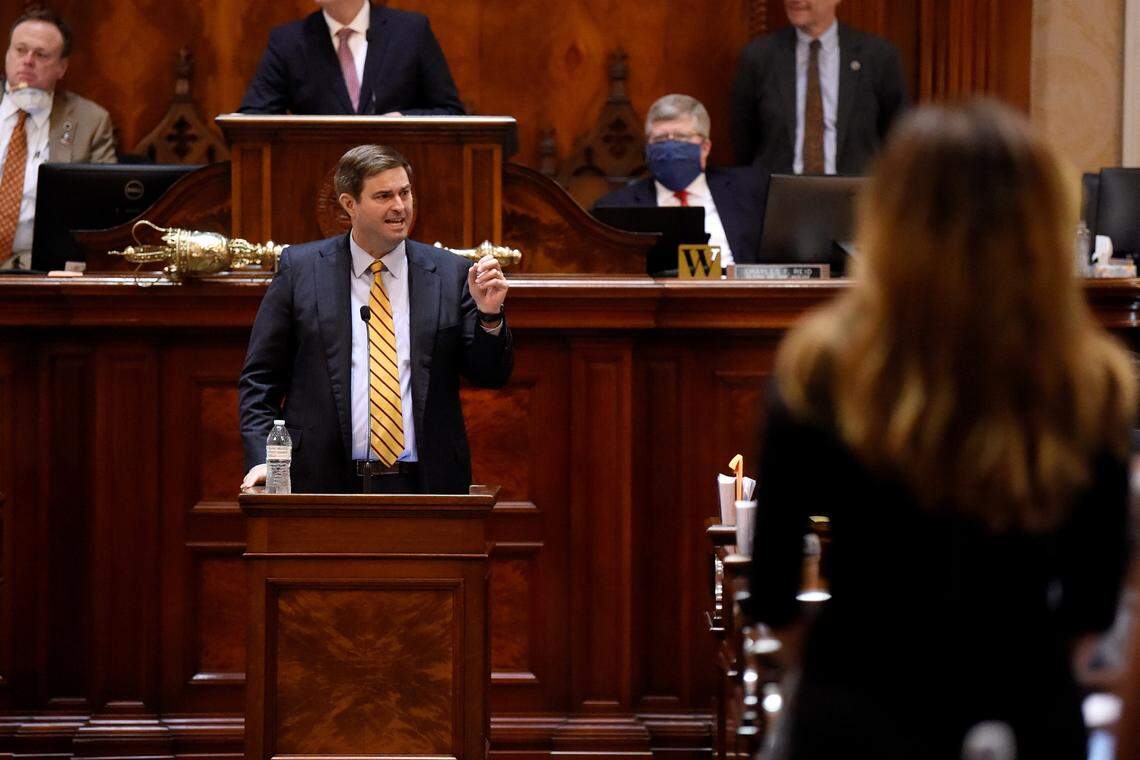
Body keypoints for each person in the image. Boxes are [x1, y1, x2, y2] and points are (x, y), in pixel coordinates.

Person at [747, 99, 1136, 759]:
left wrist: (843, 667)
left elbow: (775, 586)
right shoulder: (1091, 381)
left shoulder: (823, 366)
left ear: (891, 220)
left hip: (855, 705)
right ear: (1042, 222)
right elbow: (1094, 599)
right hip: (1027, 708)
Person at [238, 144, 512, 494]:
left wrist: (489, 315)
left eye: (405, 193)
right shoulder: (301, 270)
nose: (400, 207)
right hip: (319, 481)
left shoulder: (450, 273)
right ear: (349, 204)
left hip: (426, 483)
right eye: (384, 196)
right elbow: (260, 381)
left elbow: (489, 375)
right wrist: (266, 459)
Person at [730, 0, 907, 175]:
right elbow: (743, 141)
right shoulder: (759, 57)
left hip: (853, 196)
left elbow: (896, 137)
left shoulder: (877, 57)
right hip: (779, 195)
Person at [593, 94, 767, 266]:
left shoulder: (750, 191)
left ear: (705, 148)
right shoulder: (618, 207)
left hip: (736, 290)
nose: (670, 147)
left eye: (681, 137)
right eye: (660, 139)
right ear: (648, 148)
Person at [0, 9, 116, 270]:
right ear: (7, 54)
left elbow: (104, 208)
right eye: (20, 50)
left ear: (62, 67)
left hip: (42, 268)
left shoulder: (91, 122)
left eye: (41, 55)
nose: (27, 61)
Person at [238, 0, 464, 116]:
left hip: (399, 175)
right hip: (318, 175)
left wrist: (403, 119)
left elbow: (451, 112)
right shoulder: (288, 41)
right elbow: (251, 119)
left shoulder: (412, 31)